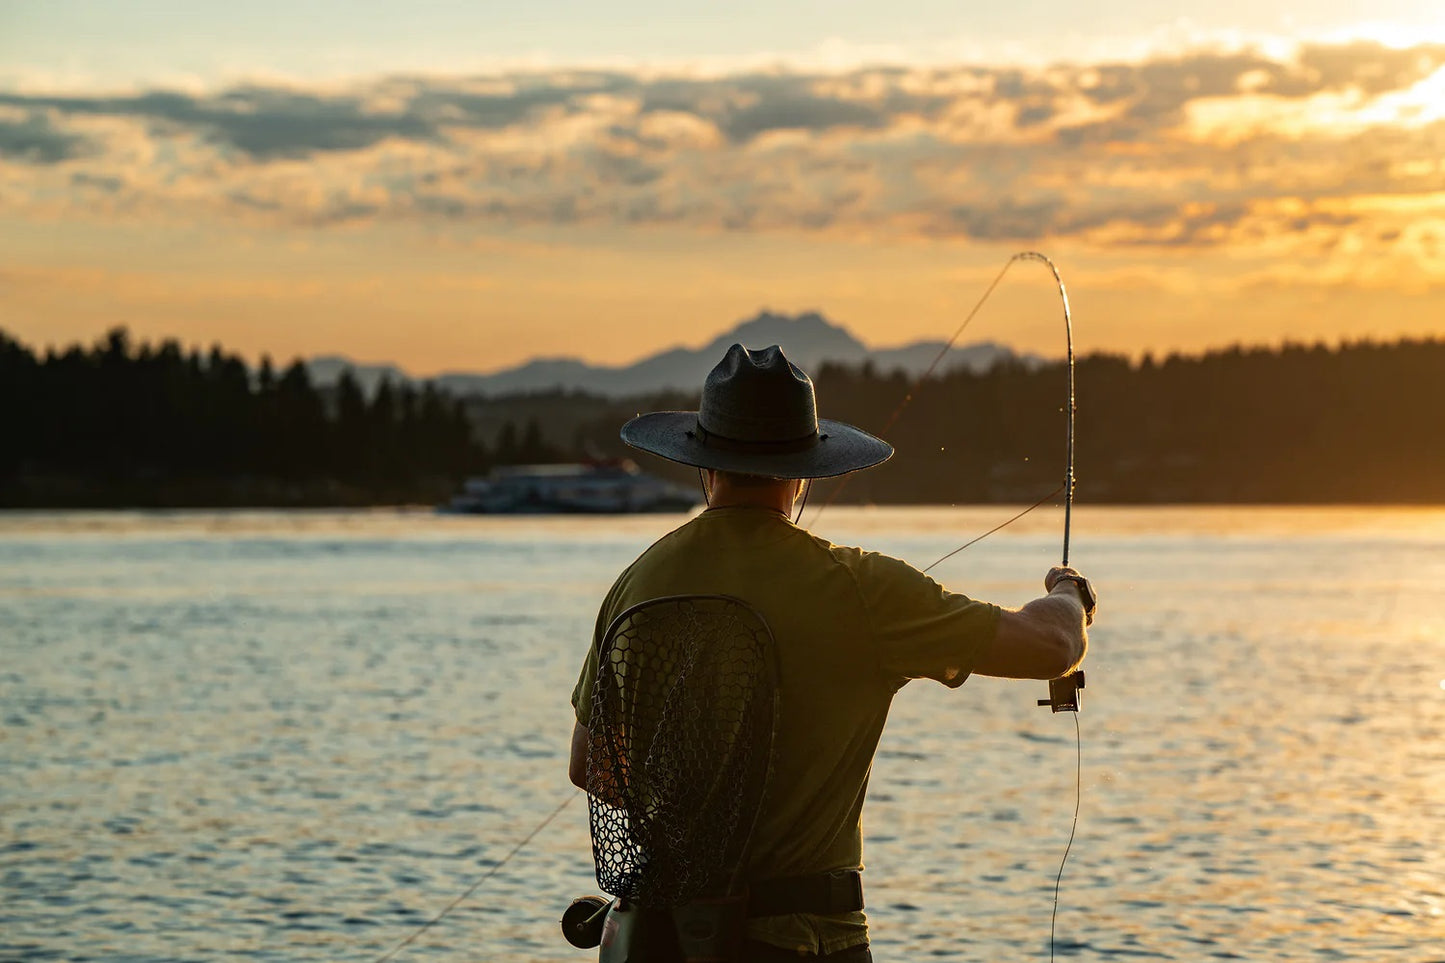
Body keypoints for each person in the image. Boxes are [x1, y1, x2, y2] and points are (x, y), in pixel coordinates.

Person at [568, 343, 1095, 962]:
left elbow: (589, 766)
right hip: (806, 943)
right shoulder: (860, 587)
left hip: (665, 941)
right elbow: (1053, 647)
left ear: (703, 465)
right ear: (804, 474)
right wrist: (1069, 593)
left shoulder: (638, 582)